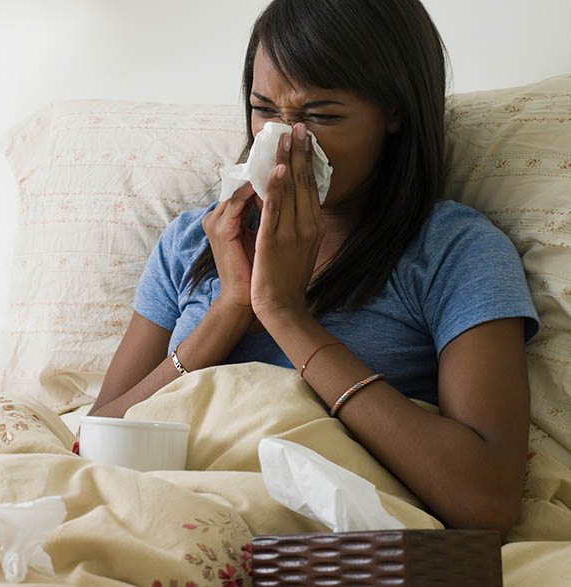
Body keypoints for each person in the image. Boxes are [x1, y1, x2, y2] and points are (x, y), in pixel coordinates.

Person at [88, 0, 539, 535]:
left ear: (394, 113)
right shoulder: (194, 240)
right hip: (159, 514)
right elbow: (95, 442)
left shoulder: (455, 251)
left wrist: (284, 313)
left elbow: (486, 499)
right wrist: (229, 310)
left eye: (320, 116)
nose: (283, 142)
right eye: (264, 110)